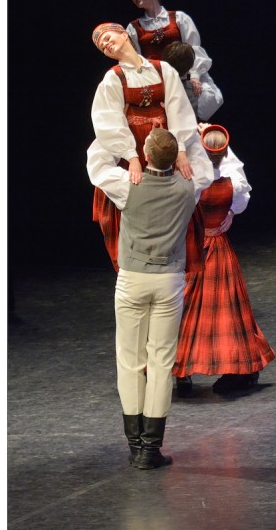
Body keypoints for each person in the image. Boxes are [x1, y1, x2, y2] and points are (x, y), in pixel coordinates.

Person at [88, 128, 213, 469]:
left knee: (130, 361)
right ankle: (150, 450)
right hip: (168, 280)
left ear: (146, 155)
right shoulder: (190, 184)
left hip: (133, 278)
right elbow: (204, 166)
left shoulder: (128, 183)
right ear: (175, 158)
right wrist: (190, 143)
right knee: (161, 363)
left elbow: (96, 163)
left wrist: (120, 139)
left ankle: (136, 446)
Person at [89, 22, 206, 273]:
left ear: (124, 35)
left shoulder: (163, 69)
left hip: (165, 142)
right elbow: (108, 119)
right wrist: (131, 156)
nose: (106, 45)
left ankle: (175, 274)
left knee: (177, 199)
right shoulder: (114, 78)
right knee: (140, 206)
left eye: (107, 38)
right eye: (101, 46)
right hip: (135, 145)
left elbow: (178, 109)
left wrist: (181, 150)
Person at [174, 124, 276, 393]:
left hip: (194, 247)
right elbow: (240, 199)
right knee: (228, 313)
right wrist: (228, 214)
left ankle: (181, 370)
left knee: (185, 309)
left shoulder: (192, 182)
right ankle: (241, 367)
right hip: (219, 248)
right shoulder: (232, 183)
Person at [126, 0, 223, 119]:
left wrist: (195, 76)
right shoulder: (134, 28)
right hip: (158, 85)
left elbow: (194, 48)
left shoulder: (179, 18)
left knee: (189, 120)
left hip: (184, 80)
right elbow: (136, 60)